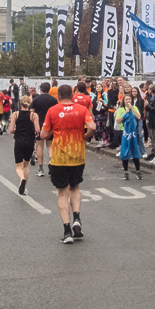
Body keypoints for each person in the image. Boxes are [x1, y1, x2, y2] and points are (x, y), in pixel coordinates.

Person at [39, 85, 95, 244]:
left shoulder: (53, 111)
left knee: (63, 193)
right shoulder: (81, 109)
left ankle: (67, 230)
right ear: (72, 95)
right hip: (77, 156)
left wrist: (51, 132)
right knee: (75, 188)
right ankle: (77, 217)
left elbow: (43, 134)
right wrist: (84, 136)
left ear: (58, 96)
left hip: (59, 158)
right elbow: (92, 126)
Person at [12, 95, 39, 194]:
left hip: (19, 140)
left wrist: (16, 131)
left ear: (20, 103)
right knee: (26, 165)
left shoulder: (15, 114)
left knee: (18, 166)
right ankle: (25, 188)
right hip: (29, 141)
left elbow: (11, 130)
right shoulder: (33, 115)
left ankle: (22, 178)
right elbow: (37, 130)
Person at [30, 82, 57, 178]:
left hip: (39, 124)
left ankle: (41, 169)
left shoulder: (36, 99)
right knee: (50, 145)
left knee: (39, 146)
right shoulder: (54, 100)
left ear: (40, 89)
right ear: (49, 89)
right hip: (50, 125)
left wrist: (32, 124)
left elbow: (31, 114)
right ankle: (51, 161)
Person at [118, 93, 144, 180]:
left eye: (129, 99)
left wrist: (132, 108)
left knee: (135, 151)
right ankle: (126, 172)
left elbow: (139, 116)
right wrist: (125, 113)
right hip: (125, 133)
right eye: (126, 99)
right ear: (123, 101)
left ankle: (138, 171)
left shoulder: (135, 107)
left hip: (133, 133)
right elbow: (118, 121)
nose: (128, 101)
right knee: (125, 151)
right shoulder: (121, 109)